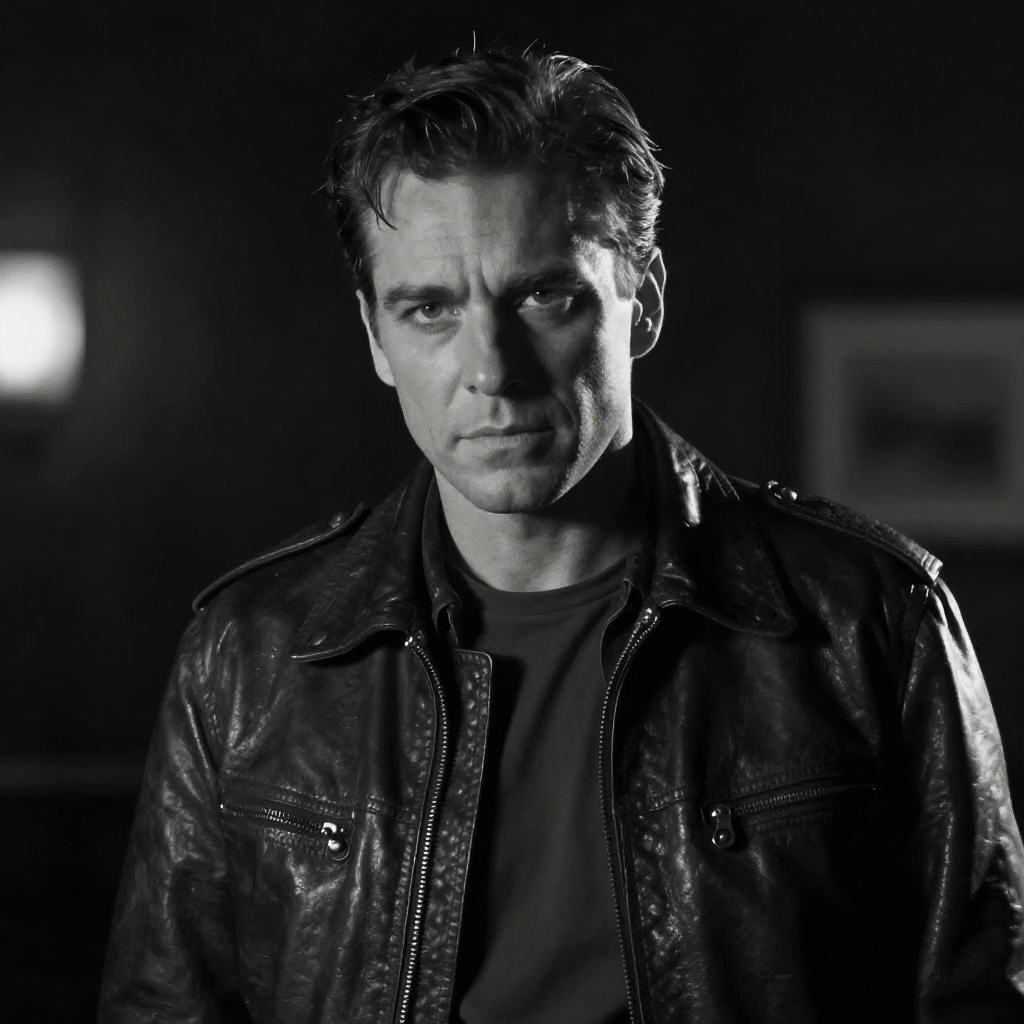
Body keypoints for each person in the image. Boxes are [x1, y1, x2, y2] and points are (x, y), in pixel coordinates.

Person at [99, 44, 1024, 1023]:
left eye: (544, 295)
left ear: (643, 301)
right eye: (430, 309)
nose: (491, 371)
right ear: (376, 337)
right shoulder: (249, 653)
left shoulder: (867, 618)